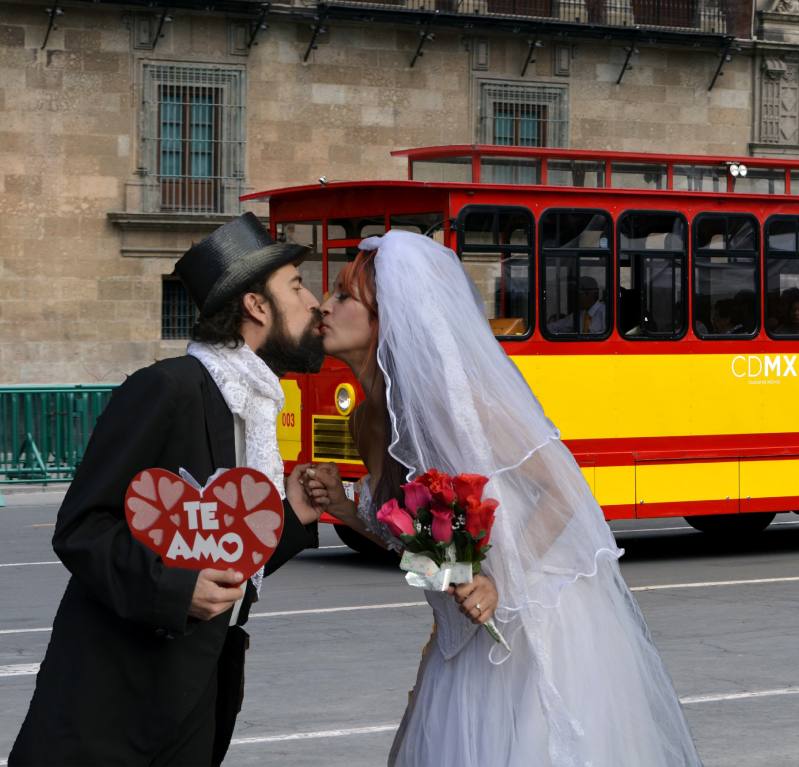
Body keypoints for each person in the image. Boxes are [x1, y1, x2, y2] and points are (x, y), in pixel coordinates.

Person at [309, 230, 702, 766]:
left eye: (343, 296)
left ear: (389, 317)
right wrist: (349, 511)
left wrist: (498, 581)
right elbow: (420, 552)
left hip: (533, 625)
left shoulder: (456, 403)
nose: (323, 306)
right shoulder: (367, 416)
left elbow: (563, 491)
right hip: (459, 637)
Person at [9, 213, 324, 766]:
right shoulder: (167, 389)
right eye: (296, 286)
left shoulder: (252, 404)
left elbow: (220, 561)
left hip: (195, 694)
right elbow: (81, 528)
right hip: (116, 700)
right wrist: (178, 592)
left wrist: (291, 515)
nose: (314, 301)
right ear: (256, 306)